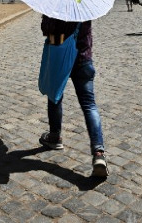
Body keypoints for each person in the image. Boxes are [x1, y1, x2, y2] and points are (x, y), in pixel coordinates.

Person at [37, 15, 108, 177]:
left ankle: (55, 137)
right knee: (90, 106)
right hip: (83, 59)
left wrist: (45, 15)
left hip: (60, 57)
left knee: (55, 96)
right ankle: (99, 153)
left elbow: (46, 29)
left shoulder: (56, 7)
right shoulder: (85, 5)